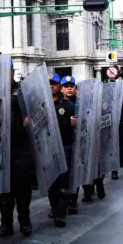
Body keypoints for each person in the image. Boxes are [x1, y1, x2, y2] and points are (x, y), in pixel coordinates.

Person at [0, 65, 34, 238]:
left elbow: (36, 111)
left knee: (23, 188)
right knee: (4, 189)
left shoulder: (23, 91)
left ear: (12, 72)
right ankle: (6, 223)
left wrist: (29, 121)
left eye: (7, 71)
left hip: (21, 145)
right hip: (1, 147)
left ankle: (25, 220)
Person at [48, 73, 75, 227]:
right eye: (49, 83)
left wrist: (76, 121)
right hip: (48, 147)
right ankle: (54, 207)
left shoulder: (68, 105)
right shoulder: (42, 104)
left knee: (63, 181)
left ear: (59, 86)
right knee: (52, 182)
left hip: (65, 145)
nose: (52, 86)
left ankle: (61, 213)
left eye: (55, 83)